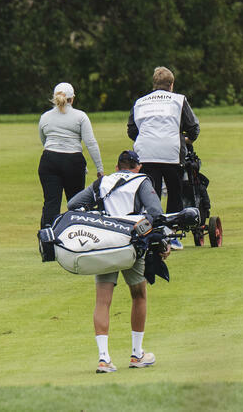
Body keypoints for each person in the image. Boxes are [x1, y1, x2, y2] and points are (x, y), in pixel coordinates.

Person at [68, 150, 168, 374]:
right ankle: (137, 354)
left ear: (117, 167)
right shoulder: (142, 181)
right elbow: (155, 213)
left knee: (102, 301)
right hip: (131, 245)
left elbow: (73, 204)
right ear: (138, 167)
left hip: (104, 245)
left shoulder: (102, 182)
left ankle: (103, 359)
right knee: (139, 295)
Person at [128, 66, 200, 250]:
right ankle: (170, 236)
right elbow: (193, 127)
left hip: (145, 153)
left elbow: (132, 130)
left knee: (151, 194)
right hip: (171, 153)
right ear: (171, 84)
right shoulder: (178, 100)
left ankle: (151, 234)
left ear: (154, 84)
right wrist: (186, 139)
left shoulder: (140, 102)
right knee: (175, 193)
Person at [38, 82, 105, 228]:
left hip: (49, 160)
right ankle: (75, 238)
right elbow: (91, 143)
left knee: (51, 202)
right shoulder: (80, 116)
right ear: (72, 99)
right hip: (73, 162)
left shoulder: (45, 117)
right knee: (75, 203)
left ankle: (47, 240)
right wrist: (99, 168)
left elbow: (44, 140)